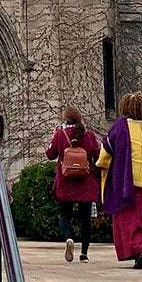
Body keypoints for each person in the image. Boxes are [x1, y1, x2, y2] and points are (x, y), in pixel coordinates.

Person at [97, 92, 142, 268]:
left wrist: (101, 164)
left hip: (129, 178)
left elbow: (106, 152)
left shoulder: (121, 126)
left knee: (128, 217)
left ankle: (138, 250)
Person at [44, 107, 100, 262]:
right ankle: (84, 253)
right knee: (85, 218)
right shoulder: (88, 135)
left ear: (65, 119)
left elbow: (50, 155)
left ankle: (69, 238)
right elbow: (97, 155)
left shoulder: (60, 135)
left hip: (65, 180)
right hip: (85, 182)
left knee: (65, 215)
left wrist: (52, 138)